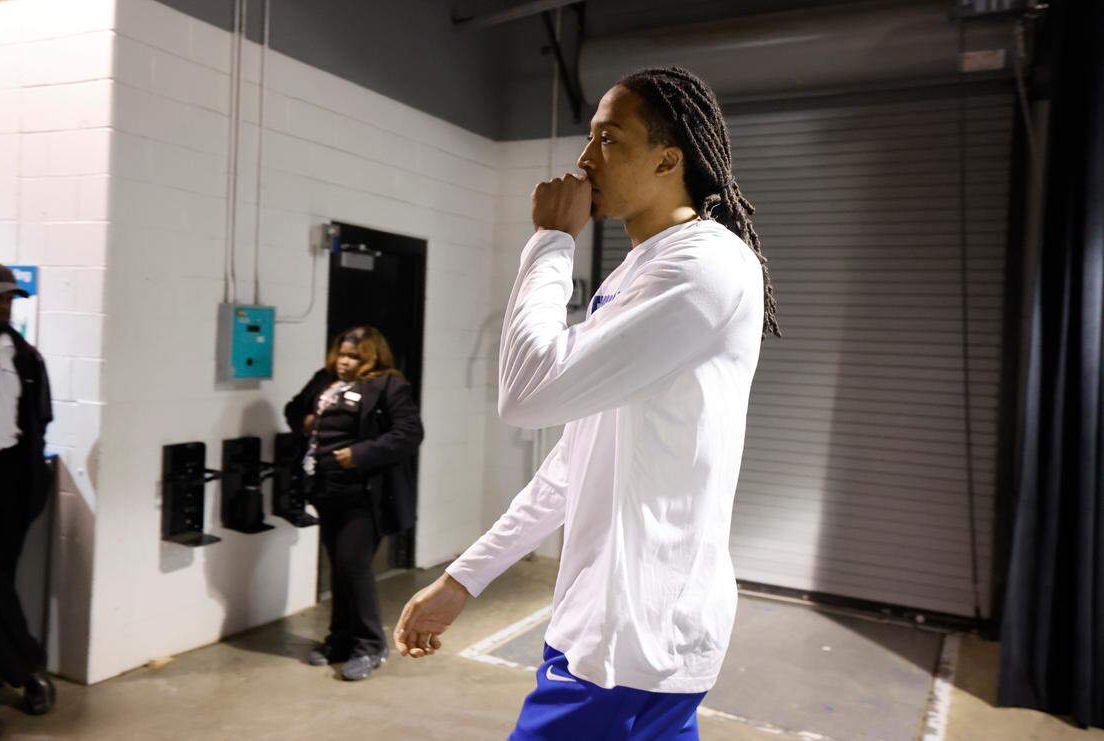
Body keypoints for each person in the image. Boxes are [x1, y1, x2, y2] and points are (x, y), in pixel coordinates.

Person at [394, 66, 782, 739]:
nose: (583, 159)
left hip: (629, 644)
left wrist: (549, 240)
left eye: (608, 139)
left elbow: (525, 392)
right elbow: (576, 462)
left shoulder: (703, 268)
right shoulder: (645, 268)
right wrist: (464, 578)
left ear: (668, 161)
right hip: (608, 631)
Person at [284, 326, 423, 682]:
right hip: (326, 489)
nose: (345, 362)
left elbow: (409, 433)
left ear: (373, 358)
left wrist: (360, 454)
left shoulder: (389, 385)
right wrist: (306, 422)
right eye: (342, 354)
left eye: (355, 357)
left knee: (353, 564)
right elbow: (294, 410)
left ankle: (370, 646)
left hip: (365, 494)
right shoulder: (325, 380)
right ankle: (339, 640)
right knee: (340, 566)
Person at [0, 263, 56, 740]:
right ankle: (21, 671)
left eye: (10, 298)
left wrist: (32, 488)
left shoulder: (24, 356)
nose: (3, 304)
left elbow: (38, 422)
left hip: (7, 485)